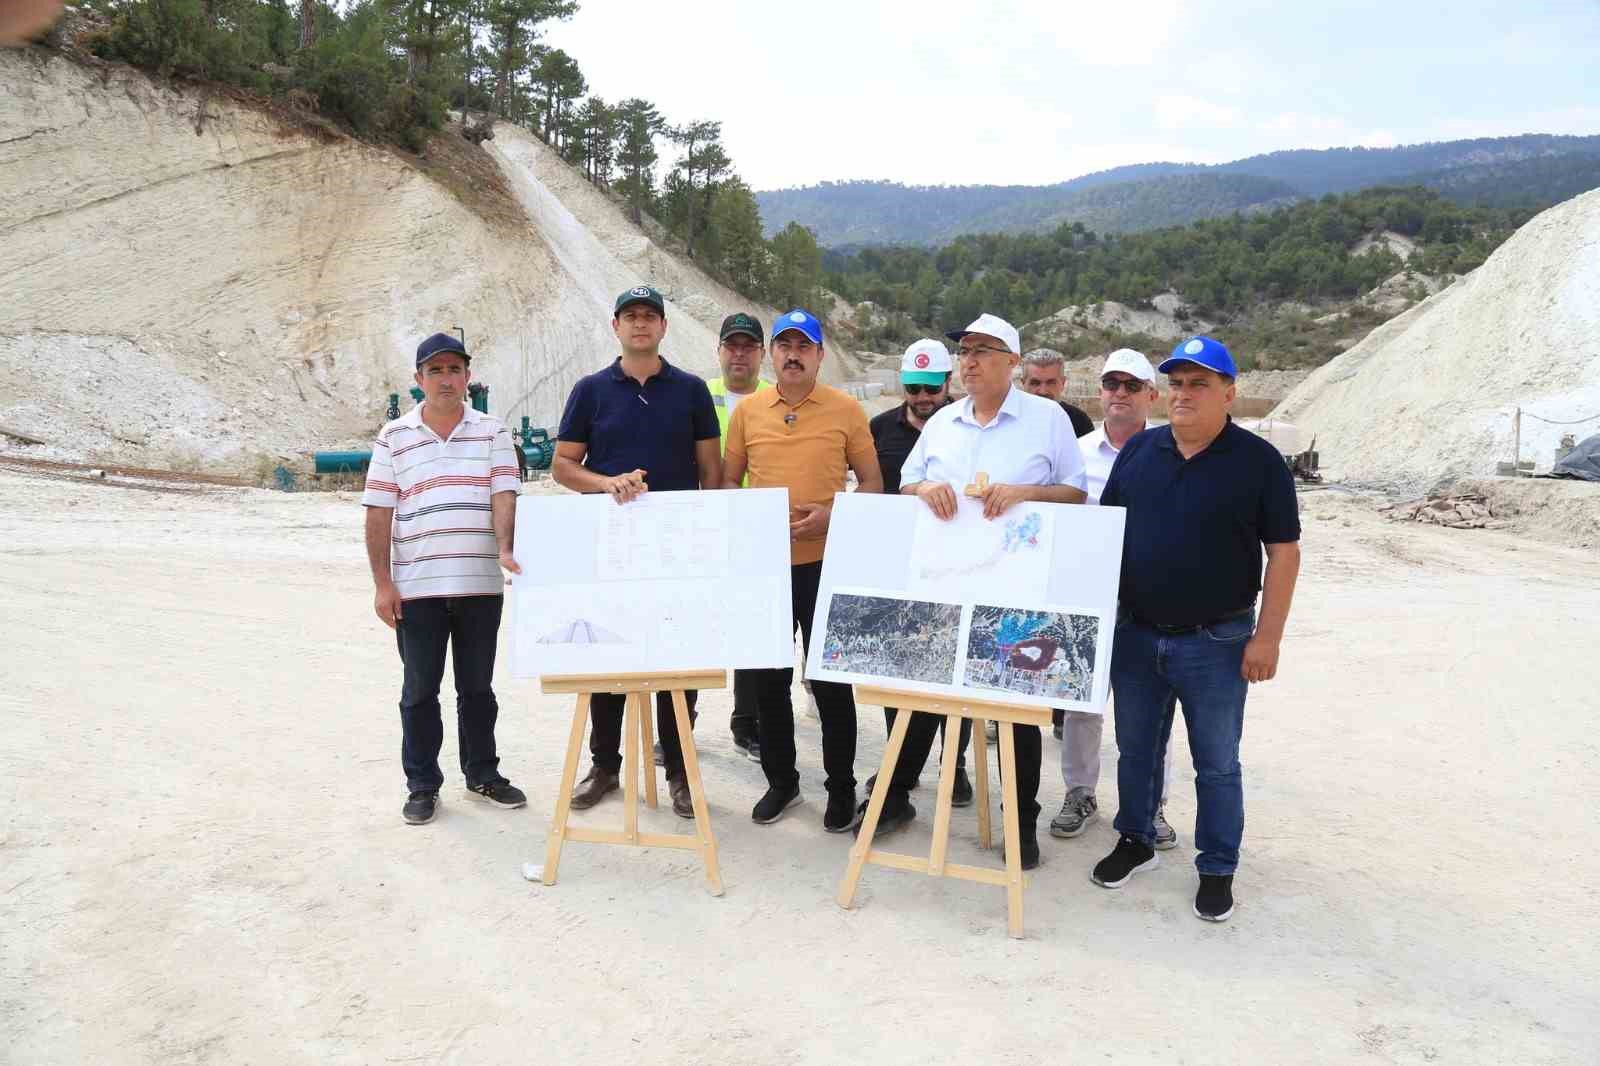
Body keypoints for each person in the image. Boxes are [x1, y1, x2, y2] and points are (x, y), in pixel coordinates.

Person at [1090, 336, 1302, 923]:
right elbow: (1103, 537)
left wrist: (1270, 638)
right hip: (1135, 634)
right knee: (1136, 751)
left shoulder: (1258, 462)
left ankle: (1216, 866)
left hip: (1218, 640)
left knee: (1216, 760)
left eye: (1199, 384)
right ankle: (1135, 839)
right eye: (1177, 384)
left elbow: (1283, 553)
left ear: (1229, 393)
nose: (1184, 395)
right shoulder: (1139, 452)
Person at [885, 313, 1088, 869]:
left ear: (1012, 362)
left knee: (1016, 710)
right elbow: (907, 478)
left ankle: (1021, 824)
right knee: (923, 695)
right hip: (946, 586)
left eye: (981, 350)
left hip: (1018, 589)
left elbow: (1075, 492)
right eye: (964, 351)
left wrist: (1025, 492)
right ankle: (895, 795)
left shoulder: (1049, 419)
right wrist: (927, 487)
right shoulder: (944, 421)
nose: (968, 360)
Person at [553, 286, 723, 820]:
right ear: (616, 326)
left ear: (664, 327)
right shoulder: (590, 390)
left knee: (680, 659)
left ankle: (677, 769)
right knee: (610, 653)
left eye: (650, 316)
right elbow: (562, 466)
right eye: (631, 316)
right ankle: (604, 765)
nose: (641, 324)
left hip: (677, 548)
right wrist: (605, 483)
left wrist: (709, 534)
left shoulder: (692, 391)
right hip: (614, 546)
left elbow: (712, 472)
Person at [723, 309, 883, 831]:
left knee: (832, 684)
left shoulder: (845, 410)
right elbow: (728, 486)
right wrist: (756, 521)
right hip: (767, 568)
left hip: (826, 566)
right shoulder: (749, 411)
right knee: (769, 684)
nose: (793, 354)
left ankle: (841, 788)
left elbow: (873, 487)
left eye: (804, 346)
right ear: (773, 354)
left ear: (819, 355)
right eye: (784, 345)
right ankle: (782, 783)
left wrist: (832, 515)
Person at [363, 332, 527, 825]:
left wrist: (504, 546)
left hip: (479, 584)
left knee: (477, 689)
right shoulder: (394, 436)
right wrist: (382, 584)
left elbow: (504, 493)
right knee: (419, 691)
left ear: (467, 377)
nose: (446, 379)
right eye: (435, 371)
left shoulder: (493, 432)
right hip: (418, 590)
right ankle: (422, 785)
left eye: (454, 370)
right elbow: (378, 514)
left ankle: (483, 773)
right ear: (418, 380)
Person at [1050, 349, 1176, 847]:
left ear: (1151, 395)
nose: (1120, 393)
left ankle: (1151, 805)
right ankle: (1079, 791)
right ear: (1100, 391)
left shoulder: (1173, 452)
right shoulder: (1075, 456)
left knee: (1151, 708)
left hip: (1150, 601)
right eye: (1111, 384)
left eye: (1131, 385)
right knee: (1082, 703)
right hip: (1087, 599)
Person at [867, 339, 973, 807]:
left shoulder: (966, 428)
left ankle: (957, 764)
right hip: (899, 566)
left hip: (957, 567)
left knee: (957, 674)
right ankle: (898, 760)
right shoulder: (878, 428)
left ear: (948, 383)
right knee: (898, 675)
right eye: (913, 387)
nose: (922, 396)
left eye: (931, 387)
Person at [709, 312, 773, 762]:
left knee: (756, 630)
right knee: (694, 628)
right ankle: (677, 724)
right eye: (732, 345)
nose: (739, 353)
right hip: (708, 527)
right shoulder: (699, 395)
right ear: (719, 351)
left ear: (760, 354)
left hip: (761, 533)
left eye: (748, 346)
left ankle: (746, 723)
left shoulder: (777, 397)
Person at [1019, 349, 1095, 437]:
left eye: (1050, 383)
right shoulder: (1007, 419)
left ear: (1063, 383)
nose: (1043, 391)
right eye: (1035, 383)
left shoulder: (1079, 421)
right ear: (1023, 383)